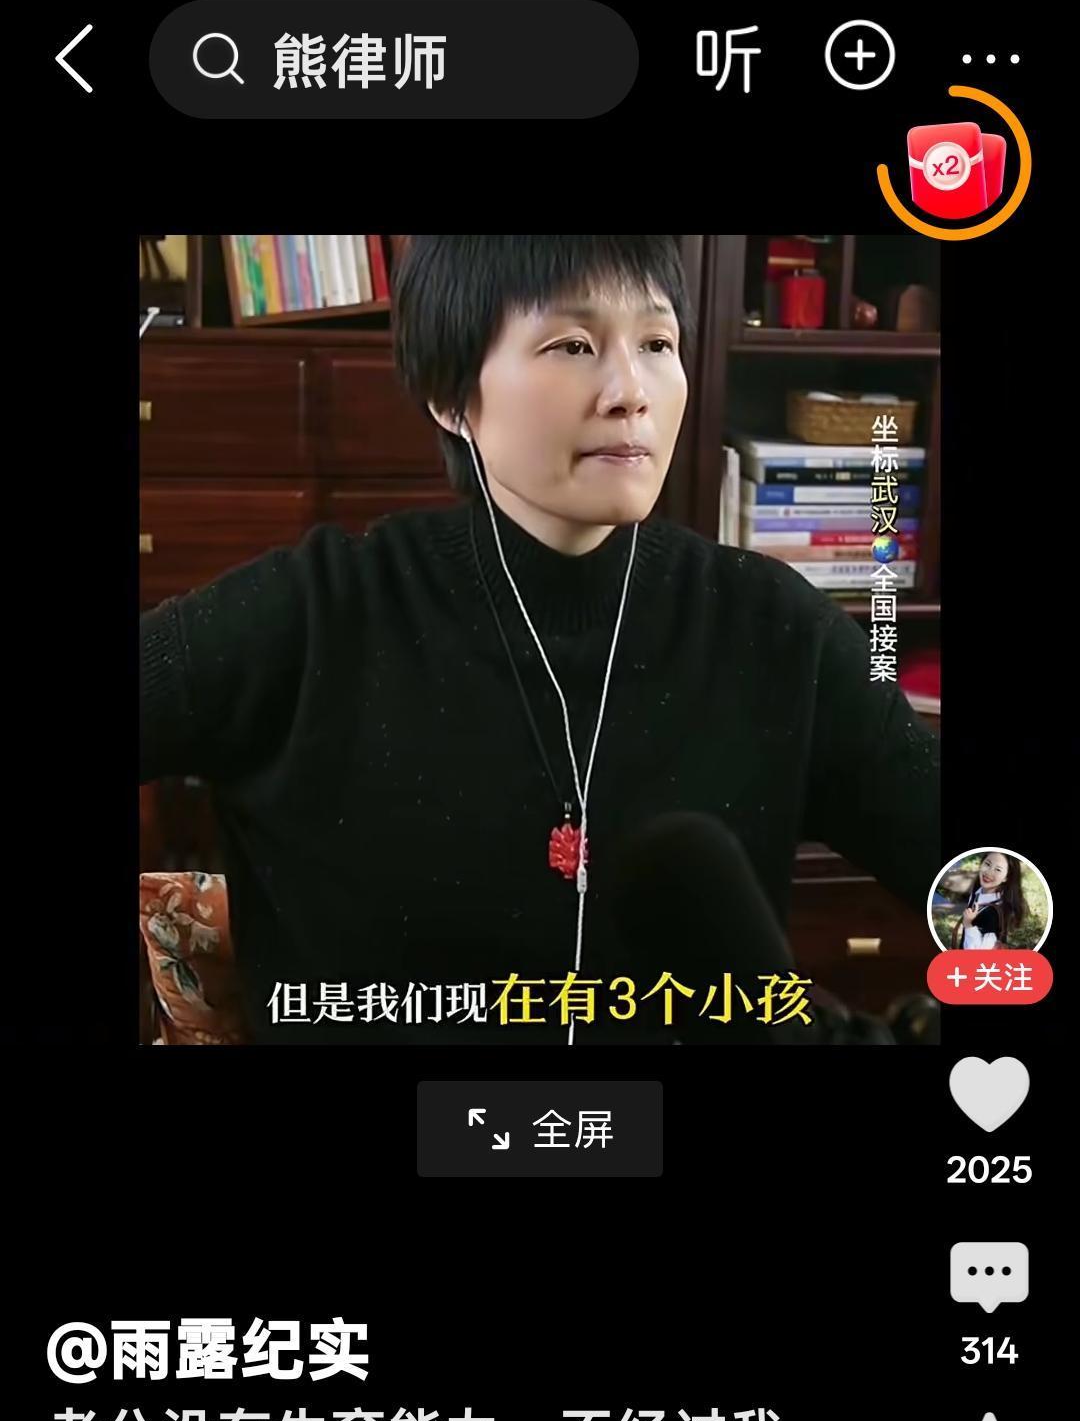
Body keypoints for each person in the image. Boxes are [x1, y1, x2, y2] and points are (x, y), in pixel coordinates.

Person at [139, 234, 940, 1046]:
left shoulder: (777, 631)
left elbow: (990, 892)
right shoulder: (312, 616)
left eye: (657, 343)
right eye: (573, 345)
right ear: (452, 395)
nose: (631, 393)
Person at [953, 851, 1025, 950]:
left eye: (998, 869)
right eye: (987, 864)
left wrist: (968, 924)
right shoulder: (978, 891)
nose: (989, 872)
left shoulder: (993, 913)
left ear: (1006, 877)